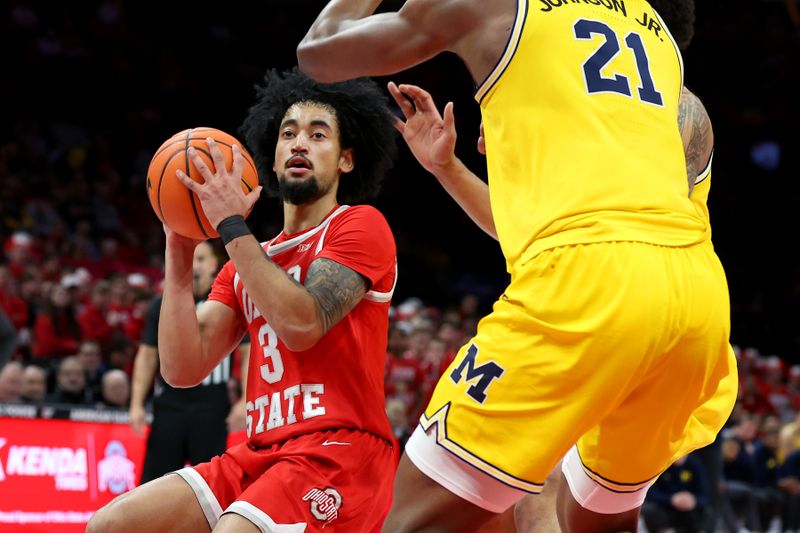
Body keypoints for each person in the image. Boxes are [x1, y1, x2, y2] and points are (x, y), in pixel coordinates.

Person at [299, 1, 738, 531]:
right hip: (697, 301)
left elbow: (318, 54)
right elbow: (546, 227)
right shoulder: (661, 53)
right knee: (580, 518)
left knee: (410, 519)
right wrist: (448, 168)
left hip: (589, 288)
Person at [88, 68, 399, 532]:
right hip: (260, 452)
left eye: (318, 135)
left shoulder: (359, 226)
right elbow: (181, 368)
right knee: (113, 525)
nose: (299, 143)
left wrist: (232, 226)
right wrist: (180, 245)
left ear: (346, 161)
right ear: (271, 161)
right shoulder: (241, 267)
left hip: (340, 451)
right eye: (288, 134)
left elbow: (302, 323)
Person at [128, 241, 251, 484]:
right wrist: (136, 404)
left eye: (201, 259)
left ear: (213, 264)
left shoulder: (228, 300)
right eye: (190, 259)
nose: (195, 266)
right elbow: (147, 355)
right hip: (169, 403)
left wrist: (245, 400)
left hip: (212, 405)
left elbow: (248, 353)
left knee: (212, 486)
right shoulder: (161, 304)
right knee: (155, 486)